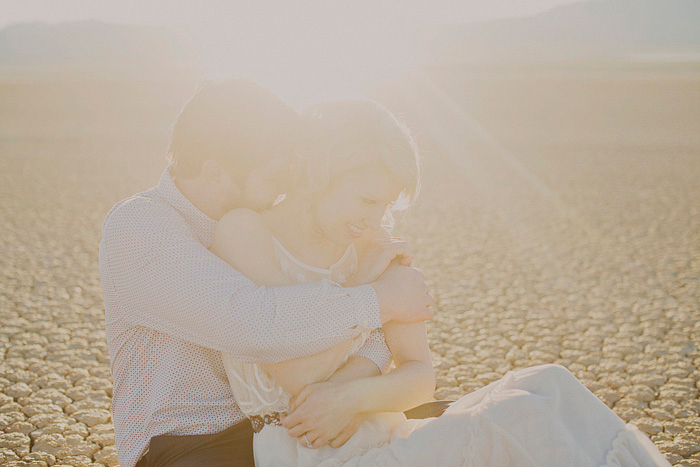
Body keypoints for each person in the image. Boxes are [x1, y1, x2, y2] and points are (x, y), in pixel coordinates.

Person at [210, 98, 672, 466]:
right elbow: (298, 373)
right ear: (318, 175)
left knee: (549, 384)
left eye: (385, 206)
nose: (372, 220)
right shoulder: (247, 232)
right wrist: (369, 288)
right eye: (366, 199)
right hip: (310, 452)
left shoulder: (374, 246)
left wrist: (352, 396)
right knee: (526, 416)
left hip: (390, 436)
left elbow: (419, 378)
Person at [98, 79, 436, 467]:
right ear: (215, 174)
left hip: (281, 432)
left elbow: (358, 336)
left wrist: (352, 385)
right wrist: (378, 297)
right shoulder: (142, 226)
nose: (287, 188)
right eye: (274, 178)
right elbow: (257, 325)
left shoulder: (268, 231)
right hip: (188, 442)